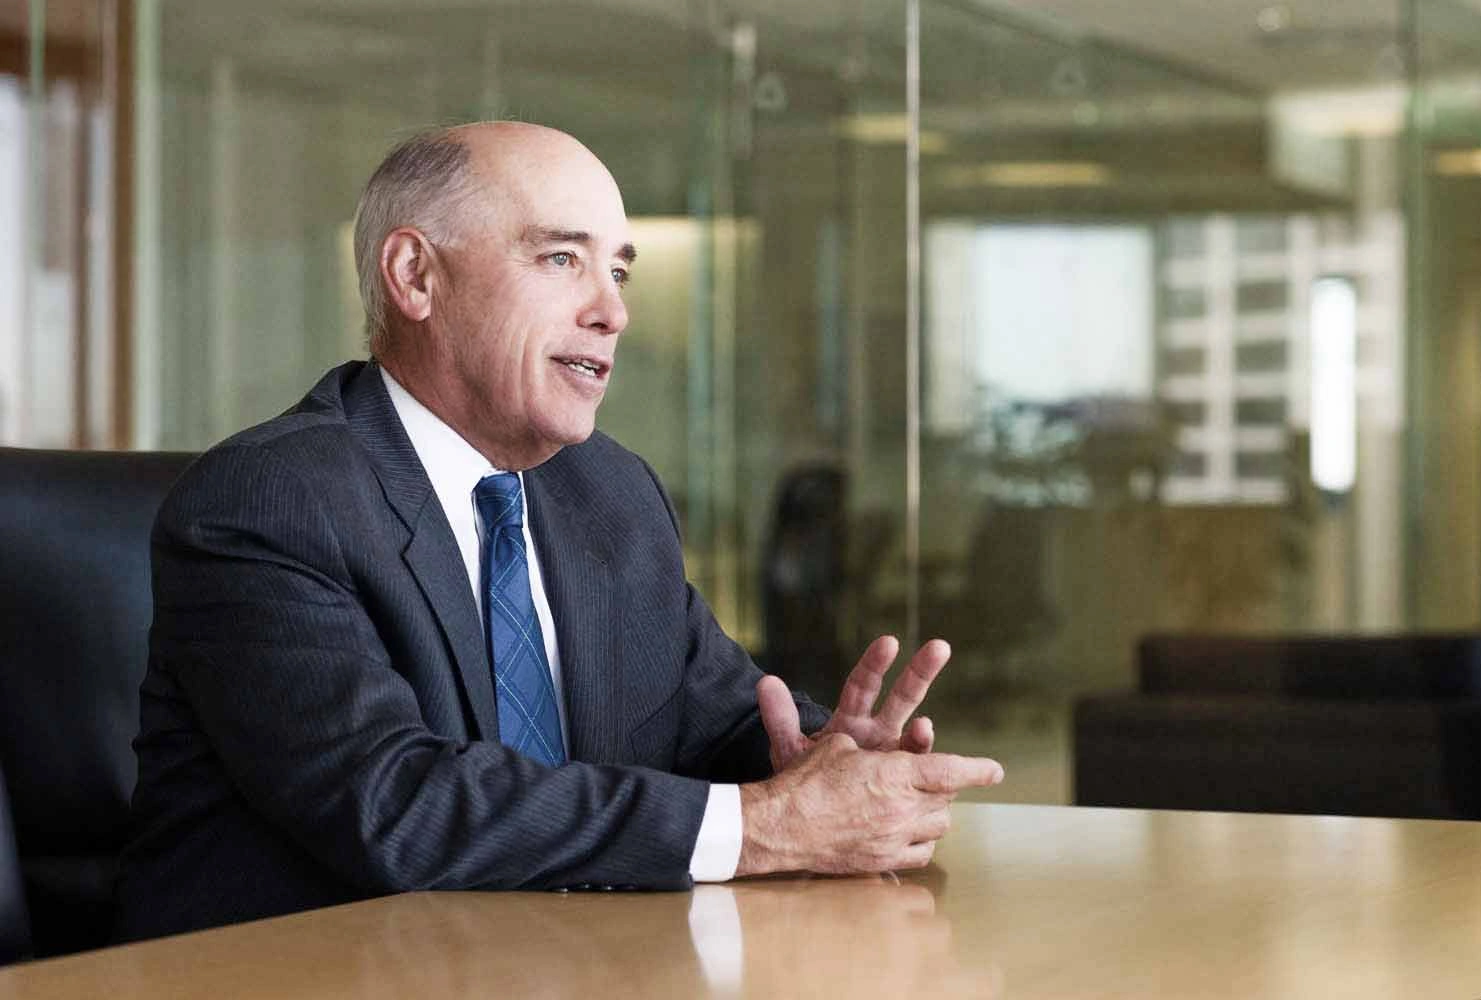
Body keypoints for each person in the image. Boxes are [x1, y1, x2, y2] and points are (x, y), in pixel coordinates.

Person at [114, 122, 1003, 941]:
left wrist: (827, 766)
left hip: (573, 966)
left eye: (617, 271)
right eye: (559, 260)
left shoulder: (605, 490)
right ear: (415, 276)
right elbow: (396, 808)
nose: (611, 312)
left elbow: (717, 714)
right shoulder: (270, 498)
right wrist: (765, 825)